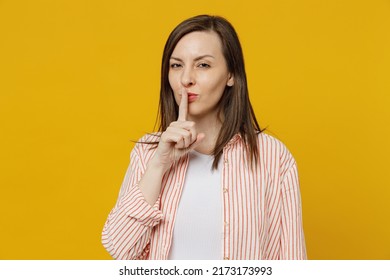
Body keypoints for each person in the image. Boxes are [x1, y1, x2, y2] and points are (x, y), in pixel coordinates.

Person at [101, 15, 306, 260]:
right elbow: (119, 249)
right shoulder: (148, 153)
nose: (186, 79)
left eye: (203, 65)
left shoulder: (273, 157)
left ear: (231, 74)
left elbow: (291, 258)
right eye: (176, 65)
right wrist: (158, 165)